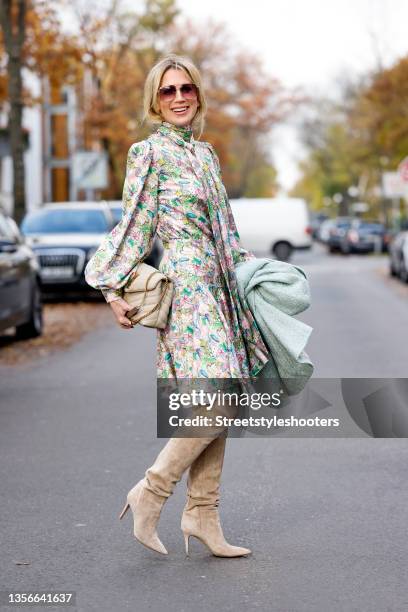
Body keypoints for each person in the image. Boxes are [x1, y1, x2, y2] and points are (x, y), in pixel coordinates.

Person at [85, 53, 271, 557]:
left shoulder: (206, 156)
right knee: (220, 396)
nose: (179, 98)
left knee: (213, 402)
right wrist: (110, 288)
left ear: (198, 94)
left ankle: (203, 515)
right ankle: (151, 491)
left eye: (186, 88)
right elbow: (133, 228)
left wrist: (259, 279)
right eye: (167, 91)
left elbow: (227, 234)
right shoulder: (149, 153)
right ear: (155, 101)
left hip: (221, 290)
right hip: (187, 293)